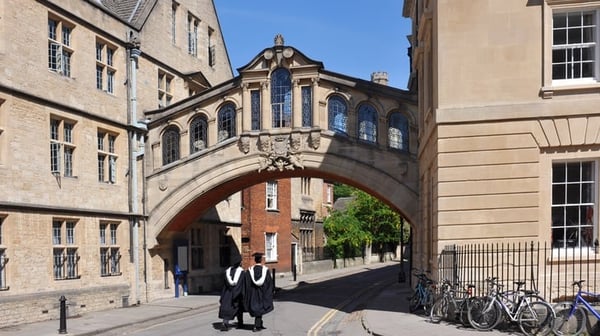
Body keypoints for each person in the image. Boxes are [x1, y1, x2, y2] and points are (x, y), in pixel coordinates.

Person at [243, 252, 274, 332]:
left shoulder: (249, 271)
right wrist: (270, 292)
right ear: (261, 260)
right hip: (262, 293)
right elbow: (269, 283)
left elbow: (247, 283)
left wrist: (247, 293)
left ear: (255, 260)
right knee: (260, 308)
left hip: (253, 293)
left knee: (257, 308)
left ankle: (259, 324)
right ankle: (257, 326)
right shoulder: (265, 270)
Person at [218, 254, 245, 331]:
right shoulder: (242, 273)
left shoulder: (227, 272)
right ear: (240, 263)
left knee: (227, 308)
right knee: (239, 308)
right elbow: (242, 284)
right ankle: (240, 323)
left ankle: (225, 323)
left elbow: (224, 284)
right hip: (237, 293)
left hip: (227, 293)